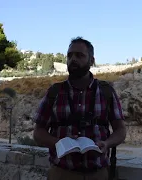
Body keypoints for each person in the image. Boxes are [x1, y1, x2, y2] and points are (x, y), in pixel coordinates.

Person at [33, 37, 126, 180]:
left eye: (79, 55)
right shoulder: (54, 92)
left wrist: (107, 144)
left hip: (98, 173)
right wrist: (59, 143)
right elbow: (38, 132)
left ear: (91, 60)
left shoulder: (106, 91)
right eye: (69, 55)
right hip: (61, 173)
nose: (73, 59)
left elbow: (120, 130)